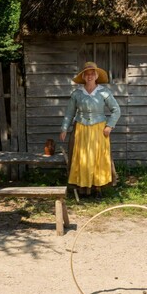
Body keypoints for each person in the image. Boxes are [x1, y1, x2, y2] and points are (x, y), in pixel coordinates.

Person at [60, 62, 121, 199]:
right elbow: (69, 113)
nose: (89, 76)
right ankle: (84, 188)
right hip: (80, 129)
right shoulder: (77, 94)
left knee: (97, 157)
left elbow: (116, 110)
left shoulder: (104, 92)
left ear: (97, 75)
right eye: (87, 74)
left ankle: (98, 188)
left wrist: (109, 126)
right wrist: (64, 128)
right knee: (82, 158)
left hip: (99, 129)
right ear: (83, 76)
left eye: (92, 73)